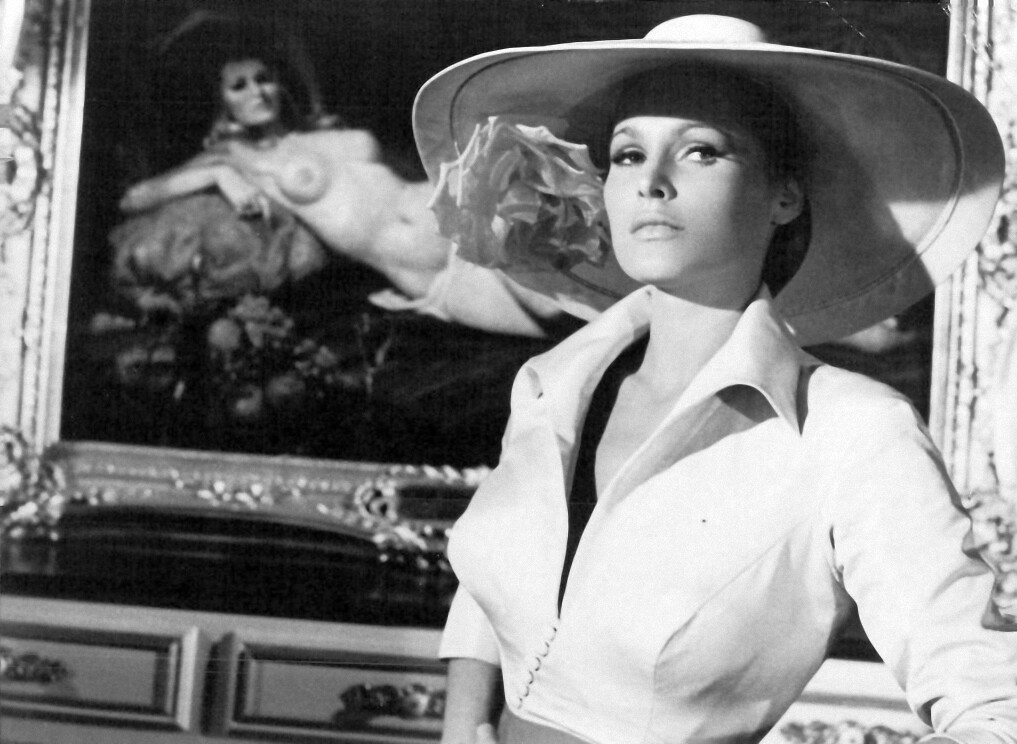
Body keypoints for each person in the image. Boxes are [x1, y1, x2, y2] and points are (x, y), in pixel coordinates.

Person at [409, 14, 1017, 744]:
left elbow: (996, 709)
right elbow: (503, 570)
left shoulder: (851, 432)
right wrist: (461, 723)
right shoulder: (555, 381)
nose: (652, 183)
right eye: (629, 154)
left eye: (701, 150)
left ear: (783, 195)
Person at [114, 52, 559, 336]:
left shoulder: (317, 131)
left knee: (571, 302)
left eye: (263, 78)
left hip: (462, 211)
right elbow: (135, 198)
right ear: (223, 103)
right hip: (423, 268)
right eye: (240, 85)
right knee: (561, 323)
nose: (258, 91)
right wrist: (220, 175)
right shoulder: (238, 158)